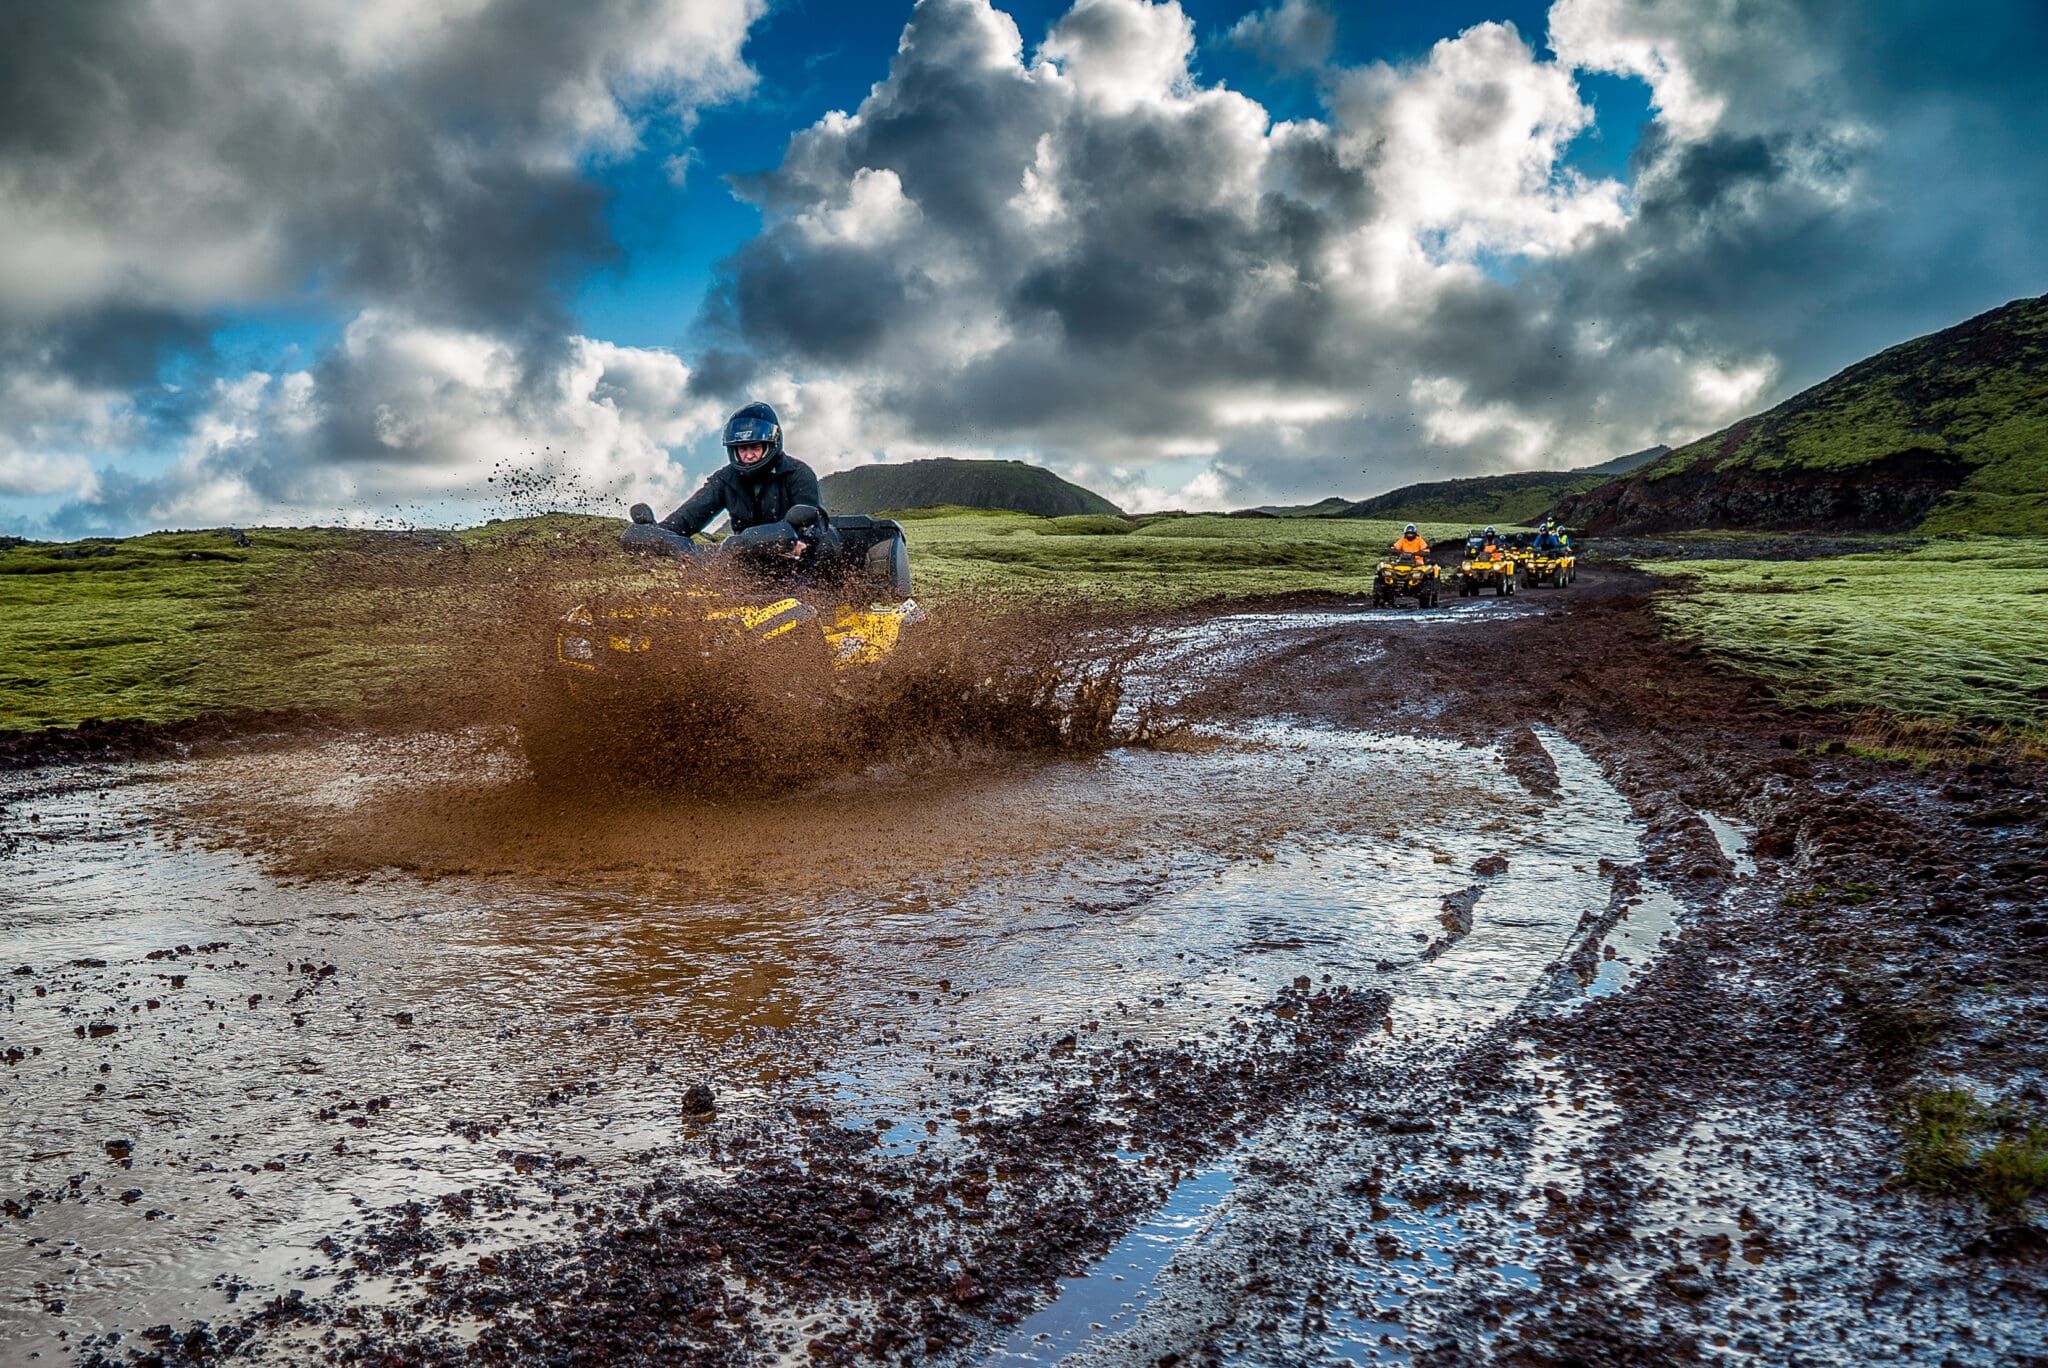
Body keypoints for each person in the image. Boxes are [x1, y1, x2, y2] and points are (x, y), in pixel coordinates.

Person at [660, 401, 826, 539]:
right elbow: (689, 516)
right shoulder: (725, 479)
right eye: (742, 449)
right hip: (746, 561)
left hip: (798, 562)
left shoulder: (798, 473)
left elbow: (815, 525)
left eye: (754, 447)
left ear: (771, 444)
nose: (748, 455)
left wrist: (803, 538)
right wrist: (658, 533)